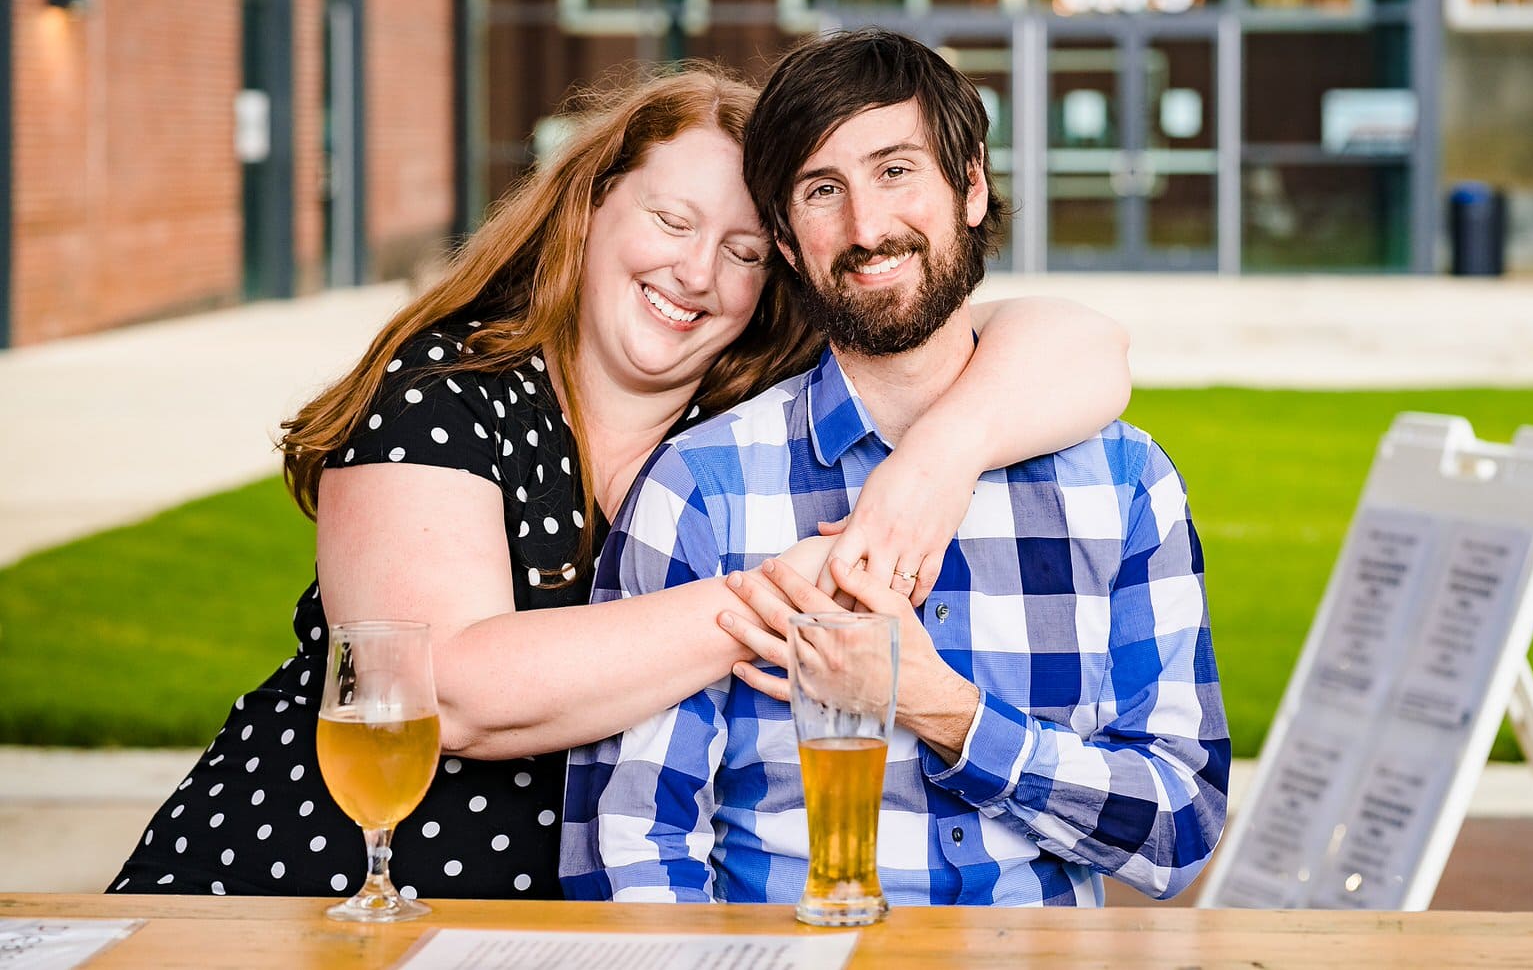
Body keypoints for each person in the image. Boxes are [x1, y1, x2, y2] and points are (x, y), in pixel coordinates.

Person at [111, 64, 1134, 900]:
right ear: (591, 204)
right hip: (306, 894)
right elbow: (452, 691)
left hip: (565, 925)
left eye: (741, 251)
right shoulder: (446, 391)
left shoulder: (733, 419)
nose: (698, 274)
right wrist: (777, 597)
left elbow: (1085, 350)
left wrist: (937, 456)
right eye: (671, 221)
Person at [562, 31, 1229, 908]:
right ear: (789, 243)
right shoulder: (701, 490)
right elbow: (630, 852)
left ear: (973, 187)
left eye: (895, 171)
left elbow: (1181, 824)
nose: (867, 228)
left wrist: (947, 713)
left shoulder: (1124, 483)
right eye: (822, 190)